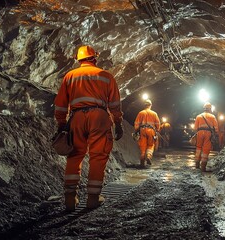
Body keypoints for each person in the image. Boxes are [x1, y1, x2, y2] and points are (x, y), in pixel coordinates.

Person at [54, 45, 123, 212]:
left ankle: (70, 199)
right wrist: (118, 123)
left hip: (76, 117)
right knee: (98, 157)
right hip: (99, 117)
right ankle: (93, 198)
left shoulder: (70, 76)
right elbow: (114, 103)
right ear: (94, 58)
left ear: (78, 59)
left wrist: (62, 124)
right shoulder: (106, 76)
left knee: (74, 156)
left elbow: (61, 104)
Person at [134, 99, 160, 167]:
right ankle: (148, 156)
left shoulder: (140, 113)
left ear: (144, 105)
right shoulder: (154, 114)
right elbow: (158, 124)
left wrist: (136, 131)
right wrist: (157, 130)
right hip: (151, 131)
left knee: (143, 146)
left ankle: (142, 162)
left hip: (142, 130)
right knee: (150, 145)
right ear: (150, 105)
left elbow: (136, 124)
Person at [194, 102, 219, 172]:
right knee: (206, 149)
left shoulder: (198, 116)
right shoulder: (212, 117)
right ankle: (203, 166)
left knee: (198, 147)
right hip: (208, 133)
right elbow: (216, 128)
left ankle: (197, 164)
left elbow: (195, 128)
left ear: (204, 109)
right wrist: (216, 134)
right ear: (210, 109)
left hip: (199, 133)